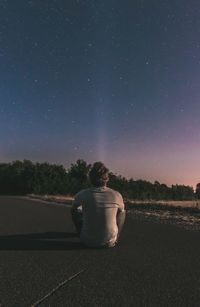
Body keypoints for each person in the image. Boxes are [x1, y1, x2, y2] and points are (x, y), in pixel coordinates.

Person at [71, 162, 126, 248]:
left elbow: (73, 209)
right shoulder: (116, 195)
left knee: (77, 210)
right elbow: (121, 213)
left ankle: (81, 233)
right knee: (122, 212)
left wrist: (78, 229)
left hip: (87, 241)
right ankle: (116, 237)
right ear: (107, 179)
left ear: (90, 179)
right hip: (109, 243)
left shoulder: (82, 194)